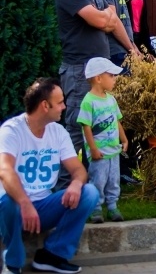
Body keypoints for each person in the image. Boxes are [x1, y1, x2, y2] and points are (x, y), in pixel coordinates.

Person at [0, 78, 100, 274]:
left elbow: (78, 170)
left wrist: (75, 184)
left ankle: (52, 256)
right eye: (60, 102)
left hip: (43, 207)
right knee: (7, 202)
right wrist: (25, 203)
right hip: (14, 208)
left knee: (89, 192)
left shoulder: (58, 132)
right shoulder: (11, 130)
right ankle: (12, 263)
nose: (64, 106)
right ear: (45, 105)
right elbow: (5, 171)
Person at [55, 0, 117, 177]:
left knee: (100, 129)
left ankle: (95, 188)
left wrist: (105, 18)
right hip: (80, 71)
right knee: (76, 130)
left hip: (99, 71)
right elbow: (99, 20)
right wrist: (104, 18)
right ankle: (61, 188)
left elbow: (110, 18)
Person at [77, 58, 127, 224]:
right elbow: (86, 127)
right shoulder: (88, 101)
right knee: (98, 180)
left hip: (113, 151)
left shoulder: (111, 100)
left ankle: (112, 206)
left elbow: (116, 121)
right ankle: (96, 208)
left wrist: (124, 139)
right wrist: (93, 149)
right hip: (99, 153)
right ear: (98, 78)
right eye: (111, 75)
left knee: (114, 180)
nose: (115, 79)